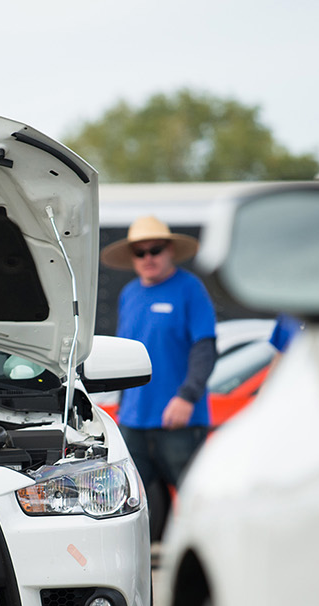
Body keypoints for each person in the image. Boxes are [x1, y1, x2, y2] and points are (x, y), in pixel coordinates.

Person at [102, 215, 218, 541]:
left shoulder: (190, 289)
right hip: (133, 420)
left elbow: (205, 348)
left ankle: (210, 558)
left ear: (170, 251)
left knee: (196, 498)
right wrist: (121, 404)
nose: (148, 257)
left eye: (155, 250)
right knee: (128, 502)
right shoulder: (129, 294)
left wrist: (187, 396)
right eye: (140, 252)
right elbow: (126, 356)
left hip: (179, 419)